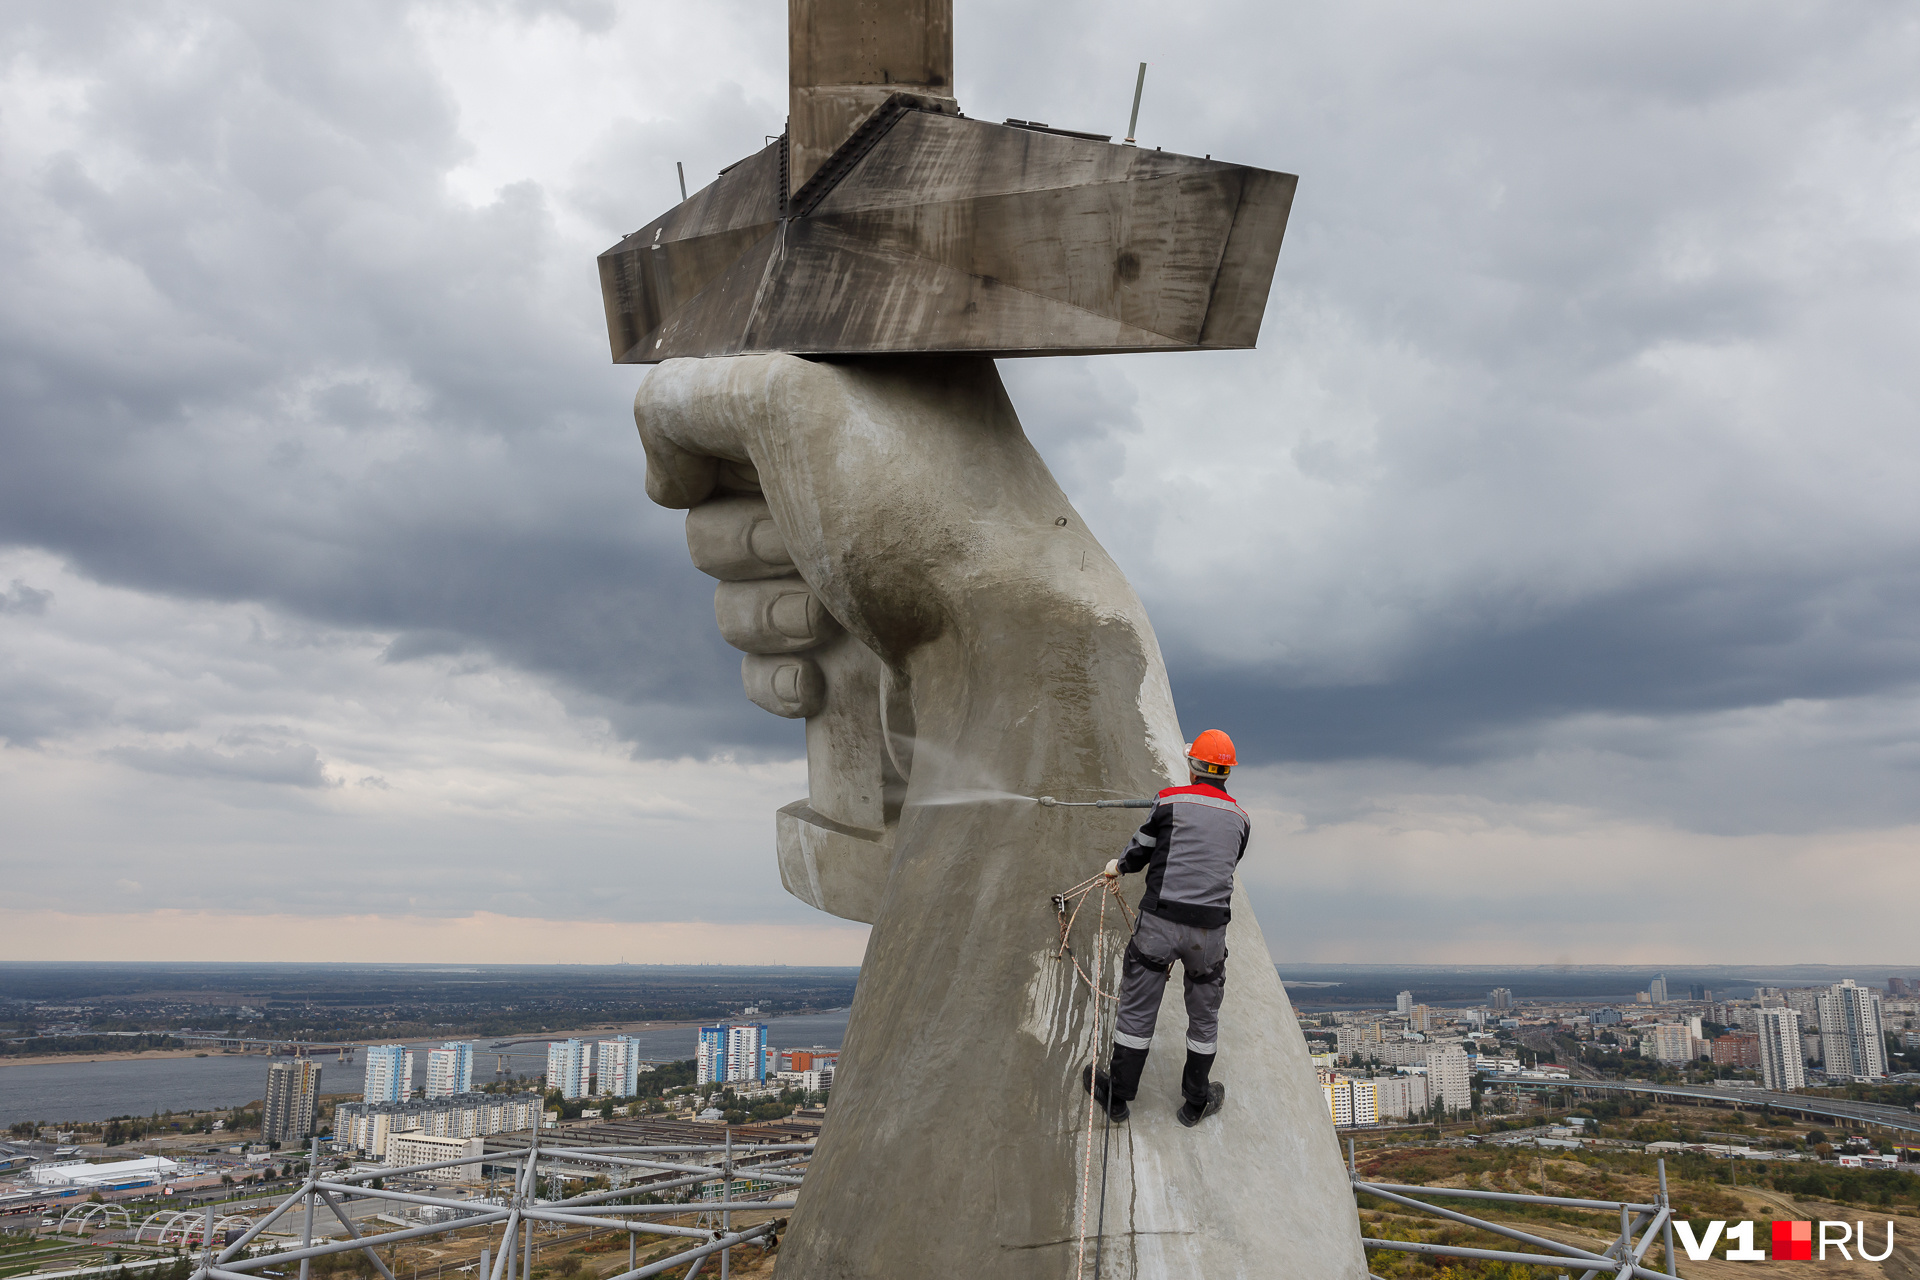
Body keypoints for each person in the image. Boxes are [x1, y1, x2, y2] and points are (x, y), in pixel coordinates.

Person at [1083, 729, 1248, 1127]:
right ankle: (1196, 1102)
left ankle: (1118, 1097)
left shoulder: (1169, 800)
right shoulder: (1242, 819)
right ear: (1227, 773)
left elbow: (1140, 850)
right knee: (1204, 1017)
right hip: (1209, 935)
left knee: (1138, 1009)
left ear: (1193, 766)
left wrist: (1117, 867)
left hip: (1160, 923)